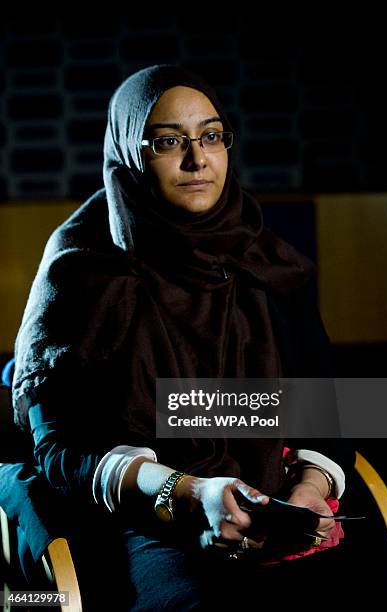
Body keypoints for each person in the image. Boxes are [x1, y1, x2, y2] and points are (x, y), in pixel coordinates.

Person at [11, 65, 355, 610]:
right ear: (129, 151)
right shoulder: (84, 270)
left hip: (275, 508)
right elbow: (59, 449)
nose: (197, 159)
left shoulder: (271, 263)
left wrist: (310, 490)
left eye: (211, 136)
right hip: (146, 521)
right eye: (169, 141)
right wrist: (190, 493)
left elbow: (328, 409)